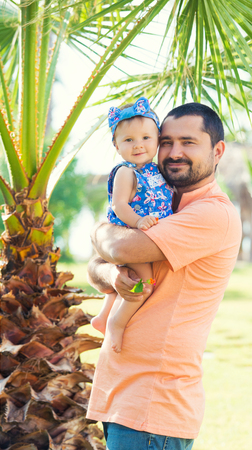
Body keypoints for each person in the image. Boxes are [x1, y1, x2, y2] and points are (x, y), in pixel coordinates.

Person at [86, 103, 242, 450]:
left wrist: (99, 230)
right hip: (123, 399)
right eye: (167, 142)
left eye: (188, 142)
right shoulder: (161, 205)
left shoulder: (211, 214)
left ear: (217, 151)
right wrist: (112, 272)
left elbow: (121, 249)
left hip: (154, 406)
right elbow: (98, 267)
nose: (174, 153)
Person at [91, 97, 173, 353]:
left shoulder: (158, 171)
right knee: (144, 284)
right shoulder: (127, 173)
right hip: (130, 234)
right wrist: (138, 222)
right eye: (129, 140)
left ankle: (103, 316)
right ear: (116, 145)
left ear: (158, 139)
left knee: (126, 281)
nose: (138, 145)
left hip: (143, 234)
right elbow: (119, 206)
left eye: (146, 138)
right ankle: (117, 322)